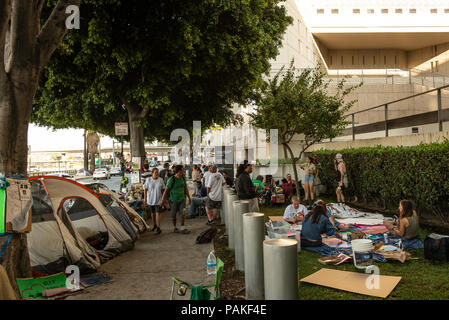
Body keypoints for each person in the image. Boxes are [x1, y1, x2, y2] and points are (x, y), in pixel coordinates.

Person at [161, 165, 192, 234]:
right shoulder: (171, 179)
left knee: (182, 213)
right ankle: (175, 227)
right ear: (179, 171)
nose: (184, 171)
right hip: (173, 200)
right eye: (182, 170)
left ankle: (183, 228)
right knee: (173, 215)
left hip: (182, 199)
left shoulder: (183, 178)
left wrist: (189, 198)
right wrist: (163, 200)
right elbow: (166, 190)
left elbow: (185, 189)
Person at [143, 168, 165, 234]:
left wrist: (163, 199)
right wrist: (145, 199)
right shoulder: (148, 180)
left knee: (158, 213)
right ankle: (155, 225)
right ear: (152, 173)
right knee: (153, 213)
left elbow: (163, 190)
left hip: (158, 199)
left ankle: (158, 228)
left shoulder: (161, 180)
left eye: (157, 172)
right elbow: (145, 189)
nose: (157, 174)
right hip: (150, 199)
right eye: (155, 172)